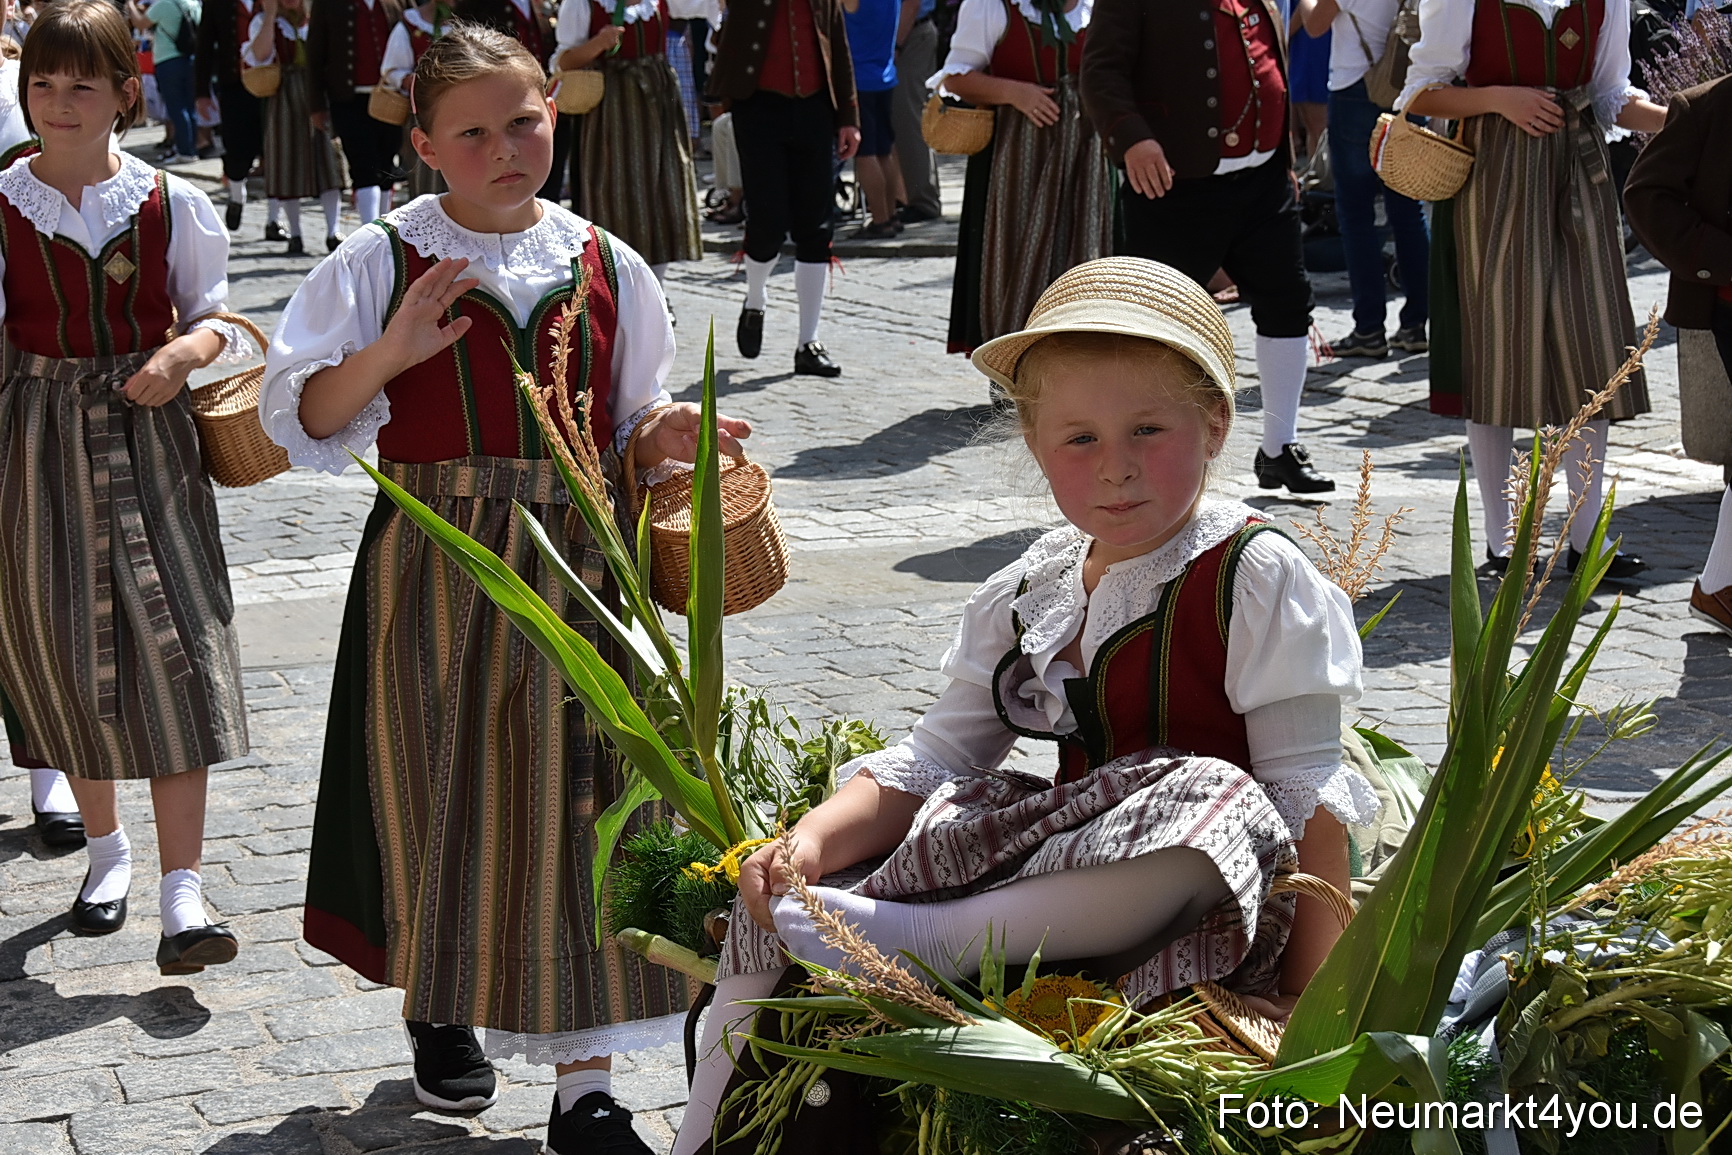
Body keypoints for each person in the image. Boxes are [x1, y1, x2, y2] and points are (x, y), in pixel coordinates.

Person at [670, 257, 1374, 1155]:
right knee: (807, 882)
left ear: (1215, 425)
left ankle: (933, 938)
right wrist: (807, 841)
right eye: (1078, 440)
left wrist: (1312, 1005)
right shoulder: (1034, 585)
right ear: (1037, 448)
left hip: (1215, 912)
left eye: (1148, 429)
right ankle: (702, 1133)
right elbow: (935, 759)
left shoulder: (1252, 574)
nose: (1115, 468)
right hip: (1069, 907)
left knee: (1220, 798)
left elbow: (1308, 795)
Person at [260, 23, 750, 1151]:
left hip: (584, 561)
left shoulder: (606, 260)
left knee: (590, 801)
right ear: (426, 144)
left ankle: (586, 1090)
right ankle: (441, 1008)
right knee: (437, 785)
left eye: (522, 120)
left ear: (555, 112)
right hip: (436, 561)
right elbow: (312, 424)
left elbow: (627, 422)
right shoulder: (379, 260)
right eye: (471, 131)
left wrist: (665, 431)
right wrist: (390, 353)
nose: (504, 147)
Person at [0, 0, 250, 972]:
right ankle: (106, 854)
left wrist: (185, 350)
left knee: (179, 641)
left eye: (82, 85)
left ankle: (184, 894)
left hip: (152, 447)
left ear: (125, 93)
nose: (60, 104)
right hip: (36, 442)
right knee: (67, 646)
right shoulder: (4, 201)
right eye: (43, 85)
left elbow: (222, 317)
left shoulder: (169, 201)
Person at [1401, 0, 1666, 576]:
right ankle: (1503, 545)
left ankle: (1584, 539)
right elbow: (1420, 93)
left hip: (1579, 175)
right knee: (1498, 350)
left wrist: (1686, 118)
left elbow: (1610, 94)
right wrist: (1500, 98)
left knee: (1590, 349)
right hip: (1492, 176)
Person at [1082, 0, 1339, 496]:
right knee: (1157, 323)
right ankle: (1141, 452)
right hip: (1174, 182)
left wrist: (1283, 156)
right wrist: (1132, 138)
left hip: (1263, 178)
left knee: (1288, 303)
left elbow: (1269, 62)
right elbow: (1100, 72)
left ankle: (1279, 448)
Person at [934, 0, 1111, 357]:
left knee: (1085, 256)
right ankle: (1009, 363)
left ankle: (1076, 363)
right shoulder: (991, 6)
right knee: (1012, 254)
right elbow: (956, 77)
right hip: (1015, 157)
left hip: (1087, 157)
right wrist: (1015, 93)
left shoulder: (1098, 6)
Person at [1624, 72, 1732, 635]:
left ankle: (1718, 586)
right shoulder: (1702, 108)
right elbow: (1646, 196)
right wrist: (1722, 258)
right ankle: (1717, 588)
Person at [707, 0, 861, 377]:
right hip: (758, 107)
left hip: (815, 108)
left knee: (816, 226)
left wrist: (849, 117)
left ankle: (808, 341)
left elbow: (838, 45)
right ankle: (756, 299)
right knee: (767, 220)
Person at [1298, 0, 1428, 359]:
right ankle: (1416, 323)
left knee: (1356, 215)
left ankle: (1369, 328)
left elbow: (1315, 24)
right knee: (1408, 206)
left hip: (1356, 87)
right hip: (1407, 84)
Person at [550, 0, 701, 289]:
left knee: (662, 191)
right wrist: (598, 44)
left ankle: (656, 290)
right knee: (613, 193)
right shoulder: (582, 4)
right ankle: (612, 288)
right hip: (611, 111)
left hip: (659, 104)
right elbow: (563, 63)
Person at [243, 0, 342, 253]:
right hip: (285, 98)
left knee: (328, 163)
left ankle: (333, 231)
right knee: (288, 164)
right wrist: (270, 15)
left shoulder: (318, 18)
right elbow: (260, 55)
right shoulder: (267, 22)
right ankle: (296, 234)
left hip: (319, 94)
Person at [306, 0, 400, 227]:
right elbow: (315, 54)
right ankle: (370, 230)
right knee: (363, 165)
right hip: (348, 99)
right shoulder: (328, 4)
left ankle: (386, 228)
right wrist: (316, 105)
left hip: (389, 98)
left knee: (386, 164)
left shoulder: (394, 3)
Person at [195, 0, 263, 231]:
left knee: (273, 150)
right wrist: (202, 92)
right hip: (234, 84)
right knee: (236, 147)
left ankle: (274, 219)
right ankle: (237, 195)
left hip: (272, 85)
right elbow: (204, 44)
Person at [844, 0, 902, 237]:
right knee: (884, 150)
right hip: (884, 75)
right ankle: (890, 214)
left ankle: (879, 219)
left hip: (859, 78)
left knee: (866, 153)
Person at [379, 0, 446, 197]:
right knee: (427, 176)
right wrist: (418, 79)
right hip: (425, 111)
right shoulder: (409, 25)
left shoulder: (473, 19)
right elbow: (392, 70)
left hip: (471, 111)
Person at [889, 0, 942, 223]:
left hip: (910, 35)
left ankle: (923, 201)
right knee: (898, 120)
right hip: (906, 33)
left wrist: (896, 46)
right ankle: (903, 197)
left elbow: (911, 3)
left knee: (910, 120)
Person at [130, 0, 201, 162]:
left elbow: (140, 23)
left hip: (167, 60)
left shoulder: (165, 4)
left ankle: (184, 152)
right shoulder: (194, 4)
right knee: (190, 107)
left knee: (176, 107)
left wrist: (131, 5)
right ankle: (191, 148)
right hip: (190, 59)